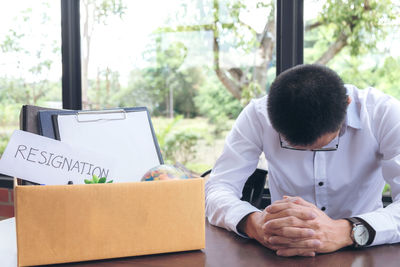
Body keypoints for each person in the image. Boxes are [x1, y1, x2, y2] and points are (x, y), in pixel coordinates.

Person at [205, 64, 400, 257]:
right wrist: (254, 223)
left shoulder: (383, 113)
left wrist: (345, 231)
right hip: (282, 249)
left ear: (347, 104)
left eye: (324, 143)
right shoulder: (257, 115)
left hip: (367, 248)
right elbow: (218, 188)